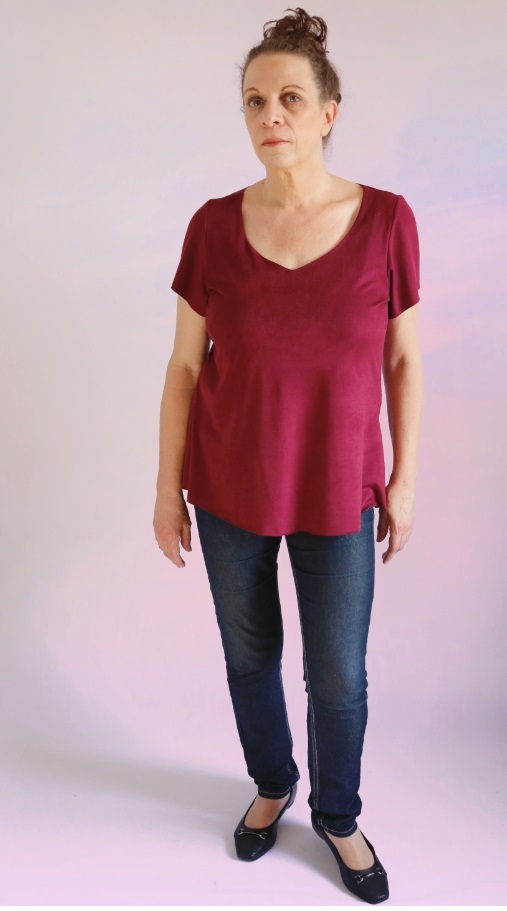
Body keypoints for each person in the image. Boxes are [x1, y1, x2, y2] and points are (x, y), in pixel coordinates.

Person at [154, 6, 423, 904]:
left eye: (290, 98)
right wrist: (165, 488)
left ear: (327, 110)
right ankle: (273, 782)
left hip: (339, 486)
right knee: (249, 656)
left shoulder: (385, 220)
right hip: (228, 481)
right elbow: (184, 367)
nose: (270, 114)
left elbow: (402, 360)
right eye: (253, 100)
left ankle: (337, 815)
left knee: (337, 675)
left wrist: (404, 477)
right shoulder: (211, 226)